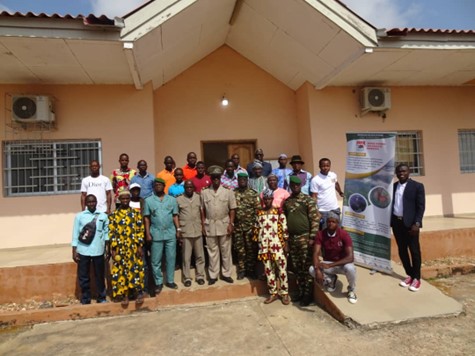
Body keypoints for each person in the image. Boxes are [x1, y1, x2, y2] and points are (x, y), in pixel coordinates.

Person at [283, 176, 320, 306]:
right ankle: (300, 291)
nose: (295, 187)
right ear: (290, 186)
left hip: (305, 238)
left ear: (301, 185)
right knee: (298, 268)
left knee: (306, 266)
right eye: (293, 185)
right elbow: (285, 222)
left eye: (297, 185)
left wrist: (312, 237)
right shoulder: (287, 202)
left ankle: (307, 295)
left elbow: (315, 220)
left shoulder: (308, 200)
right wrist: (286, 241)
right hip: (293, 239)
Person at [391, 163, 426, 292]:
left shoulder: (417, 186)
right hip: (397, 223)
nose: (401, 173)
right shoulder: (394, 186)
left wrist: (417, 223)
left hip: (411, 225)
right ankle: (410, 275)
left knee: (414, 251)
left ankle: (417, 278)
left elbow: (421, 207)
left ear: (409, 172)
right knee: (402, 250)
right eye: (399, 171)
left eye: (404, 171)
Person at [310, 212, 357, 304]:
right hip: (328, 264)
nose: (330, 224)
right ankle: (331, 280)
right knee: (312, 270)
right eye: (328, 221)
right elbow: (315, 253)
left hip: (342, 265)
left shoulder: (344, 234)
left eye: (333, 222)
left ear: (338, 223)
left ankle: (351, 290)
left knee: (351, 268)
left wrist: (331, 265)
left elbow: (350, 258)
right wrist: (317, 269)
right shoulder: (321, 234)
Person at [200, 166, 237, 285]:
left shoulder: (228, 191)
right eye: (213, 177)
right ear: (210, 178)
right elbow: (202, 210)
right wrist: (203, 224)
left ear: (221, 178)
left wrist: (231, 223)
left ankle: (226, 274)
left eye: (218, 177)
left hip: (224, 224)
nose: (216, 179)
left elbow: (232, 209)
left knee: (226, 251)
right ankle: (213, 275)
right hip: (210, 224)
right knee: (212, 251)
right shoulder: (204, 192)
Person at [108, 190, 145, 306]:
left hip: (133, 248)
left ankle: (138, 293)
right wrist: (113, 249)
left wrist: (139, 246)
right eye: (123, 199)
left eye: (127, 199)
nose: (125, 201)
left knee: (136, 270)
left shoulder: (135, 214)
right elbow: (111, 232)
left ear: (129, 199)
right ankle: (125, 295)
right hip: (120, 249)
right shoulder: (114, 215)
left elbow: (140, 230)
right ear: (119, 200)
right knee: (121, 272)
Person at [143, 178, 180, 293]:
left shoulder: (172, 200)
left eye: (160, 185)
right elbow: (147, 218)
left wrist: (178, 229)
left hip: (170, 233)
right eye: (156, 185)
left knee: (171, 258)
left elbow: (175, 216)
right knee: (155, 260)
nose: (158, 186)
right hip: (156, 233)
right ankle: (158, 282)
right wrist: (147, 233)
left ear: (164, 186)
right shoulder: (148, 201)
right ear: (154, 187)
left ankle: (170, 280)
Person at [254, 189, 290, 305]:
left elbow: (284, 229)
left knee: (282, 270)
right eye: (266, 199)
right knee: (269, 270)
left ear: (272, 199)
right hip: (265, 247)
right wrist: (258, 244)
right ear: (263, 200)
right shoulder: (259, 213)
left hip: (278, 246)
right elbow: (256, 229)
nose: (268, 200)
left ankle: (284, 293)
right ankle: (273, 293)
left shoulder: (279, 212)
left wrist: (286, 245)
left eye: (270, 198)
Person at [71, 194, 109, 304]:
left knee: (100, 275)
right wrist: (74, 250)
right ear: (86, 203)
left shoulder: (103, 216)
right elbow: (75, 234)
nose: (92, 204)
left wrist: (107, 248)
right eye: (89, 202)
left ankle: (101, 297)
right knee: (84, 276)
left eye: (93, 201)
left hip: (98, 250)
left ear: (96, 202)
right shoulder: (79, 216)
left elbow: (106, 233)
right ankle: (85, 298)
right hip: (83, 250)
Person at [176, 180, 206, 287]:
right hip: (186, 231)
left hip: (197, 230)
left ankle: (200, 276)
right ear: (184, 188)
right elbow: (176, 216)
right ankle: (187, 278)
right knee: (186, 257)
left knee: (200, 256)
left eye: (191, 187)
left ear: (193, 188)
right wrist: (178, 230)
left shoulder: (199, 197)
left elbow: (202, 212)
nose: (189, 189)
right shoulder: (178, 199)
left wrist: (203, 226)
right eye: (187, 187)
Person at [234, 172, 260, 280]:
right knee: (240, 250)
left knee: (251, 249)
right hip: (238, 227)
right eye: (240, 180)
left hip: (250, 227)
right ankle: (242, 270)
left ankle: (251, 270)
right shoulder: (233, 193)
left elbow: (257, 210)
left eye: (244, 180)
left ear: (247, 180)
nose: (242, 182)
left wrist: (256, 226)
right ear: (238, 181)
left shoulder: (253, 193)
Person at [310, 158, 344, 229]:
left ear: (330, 166)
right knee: (325, 232)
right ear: (319, 166)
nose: (325, 168)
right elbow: (314, 196)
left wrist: (340, 192)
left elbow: (336, 184)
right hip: (323, 211)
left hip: (335, 209)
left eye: (327, 166)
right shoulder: (315, 180)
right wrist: (316, 211)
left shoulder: (333, 175)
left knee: (337, 230)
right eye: (323, 166)